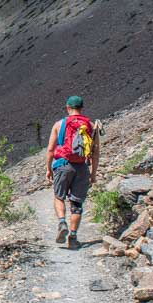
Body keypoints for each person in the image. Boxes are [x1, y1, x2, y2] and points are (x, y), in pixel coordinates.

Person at [45, 95, 99, 250]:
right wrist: (93, 173)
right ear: (82, 108)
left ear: (68, 107)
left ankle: (62, 222)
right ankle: (73, 237)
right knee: (76, 203)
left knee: (59, 196)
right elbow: (95, 152)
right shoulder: (90, 125)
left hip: (62, 165)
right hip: (81, 166)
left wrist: (49, 169)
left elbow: (50, 149)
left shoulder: (59, 124)